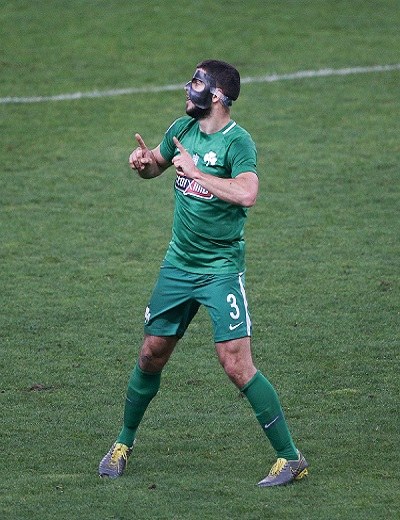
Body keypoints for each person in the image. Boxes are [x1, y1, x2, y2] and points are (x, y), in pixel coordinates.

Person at [98, 59, 308, 487]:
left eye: (196, 81)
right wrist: (143, 163)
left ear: (216, 96)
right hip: (178, 265)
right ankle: (122, 443)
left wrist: (198, 173)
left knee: (236, 364)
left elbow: (247, 193)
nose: (187, 87)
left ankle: (291, 458)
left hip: (219, 269)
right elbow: (157, 165)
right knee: (151, 354)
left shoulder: (238, 143)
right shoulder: (183, 129)